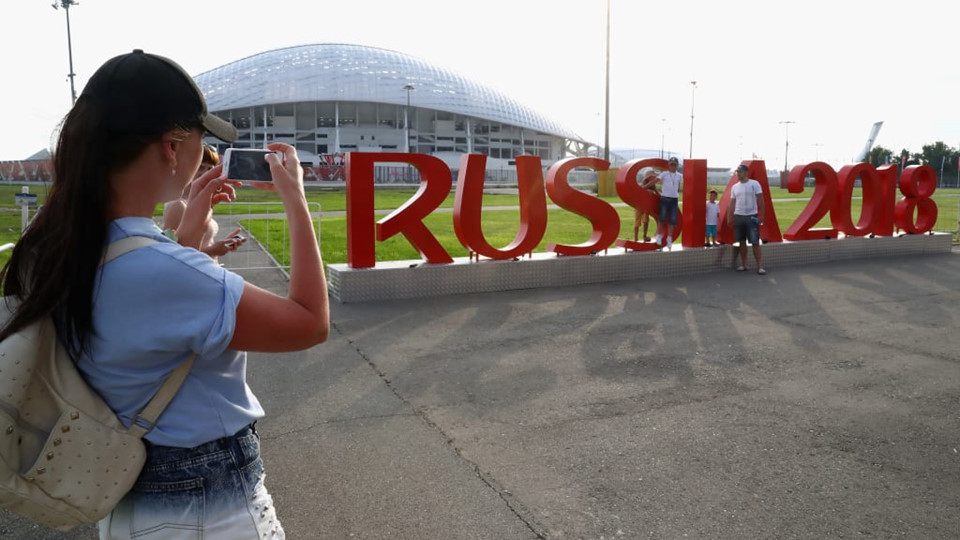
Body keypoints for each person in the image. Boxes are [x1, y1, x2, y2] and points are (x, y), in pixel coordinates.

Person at [0, 49, 329, 538]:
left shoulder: (48, 248)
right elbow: (308, 322)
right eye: (201, 139)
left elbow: (147, 323)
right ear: (171, 147)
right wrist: (296, 200)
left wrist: (187, 239)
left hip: (127, 502)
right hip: (210, 508)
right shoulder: (163, 271)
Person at [163, 144, 247, 259]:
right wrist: (213, 250)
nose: (205, 173)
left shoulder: (198, 202)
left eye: (209, 169)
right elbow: (170, 254)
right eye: (200, 167)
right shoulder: (178, 205)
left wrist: (222, 245)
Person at [726, 164, 766, 274]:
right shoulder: (735, 187)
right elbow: (732, 203)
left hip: (751, 216)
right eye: (737, 172)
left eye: (740, 172)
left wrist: (762, 215)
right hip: (739, 216)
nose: (738, 174)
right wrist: (729, 217)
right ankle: (745, 265)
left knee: (755, 242)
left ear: (745, 172)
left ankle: (760, 266)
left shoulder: (754, 184)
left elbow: (761, 200)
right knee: (742, 242)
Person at [651, 156, 682, 250]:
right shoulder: (664, 174)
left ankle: (669, 238)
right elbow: (655, 181)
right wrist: (645, 186)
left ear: (677, 166)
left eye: (674, 165)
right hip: (665, 198)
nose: (673, 166)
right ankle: (659, 236)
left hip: (674, 199)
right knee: (662, 217)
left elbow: (688, 183)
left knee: (672, 219)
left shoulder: (679, 176)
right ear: (669, 165)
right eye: (671, 165)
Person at [634, 166, 660, 242]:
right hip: (639, 205)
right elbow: (640, 191)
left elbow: (658, 194)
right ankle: (636, 238)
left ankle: (644, 236)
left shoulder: (653, 186)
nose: (654, 178)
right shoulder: (642, 185)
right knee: (637, 221)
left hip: (646, 206)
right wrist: (648, 190)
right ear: (648, 177)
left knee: (646, 220)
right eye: (653, 176)